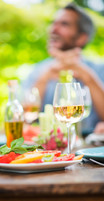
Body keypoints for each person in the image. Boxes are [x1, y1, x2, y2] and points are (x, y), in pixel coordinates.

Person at [22, 2, 104, 134]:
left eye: (64, 24)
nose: (53, 30)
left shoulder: (99, 69)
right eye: (53, 23)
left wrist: (86, 76)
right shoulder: (37, 71)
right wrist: (45, 77)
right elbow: (23, 121)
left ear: (82, 38)